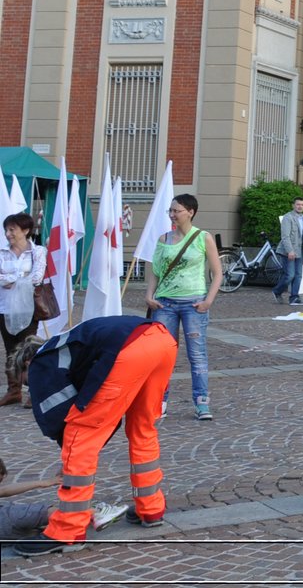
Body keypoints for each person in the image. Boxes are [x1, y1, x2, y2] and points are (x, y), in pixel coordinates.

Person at [9, 315, 179, 556]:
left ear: (26, 363)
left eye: (26, 383)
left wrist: (71, 456)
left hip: (129, 348)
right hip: (161, 339)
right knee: (143, 429)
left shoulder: (40, 361)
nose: (30, 388)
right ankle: (151, 508)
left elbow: (59, 418)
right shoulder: (67, 345)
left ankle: (68, 529)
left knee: (80, 434)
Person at [144, 193, 222, 421]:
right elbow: (156, 272)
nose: (172, 215)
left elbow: (217, 273)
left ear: (191, 212)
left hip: (193, 303)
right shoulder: (163, 239)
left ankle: (201, 403)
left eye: (176, 211)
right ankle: (160, 401)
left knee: (197, 355)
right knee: (162, 356)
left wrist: (209, 300)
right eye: (170, 210)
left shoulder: (203, 237)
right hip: (164, 303)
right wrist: (149, 295)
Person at [0, 212, 46, 407]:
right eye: (6, 230)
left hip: (29, 308)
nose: (8, 234)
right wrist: (20, 278)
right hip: (5, 307)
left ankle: (34, 390)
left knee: (29, 349)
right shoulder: (2, 252)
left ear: (25, 230)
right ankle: (13, 390)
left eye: (12, 229)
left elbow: (37, 277)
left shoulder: (37, 252)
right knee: (10, 349)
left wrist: (11, 279)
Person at [0, 457, 62, 542]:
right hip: (5, 519)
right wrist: (44, 483)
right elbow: (4, 491)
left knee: (32, 531)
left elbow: (4, 491)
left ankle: (32, 533)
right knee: (53, 513)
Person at [272, 195, 303, 306]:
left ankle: (294, 298)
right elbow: (285, 236)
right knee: (290, 275)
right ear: (293, 205)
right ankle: (277, 291)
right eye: (298, 204)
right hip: (288, 251)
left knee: (298, 275)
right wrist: (290, 251)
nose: (300, 206)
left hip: (300, 251)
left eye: (302, 205)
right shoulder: (288, 217)